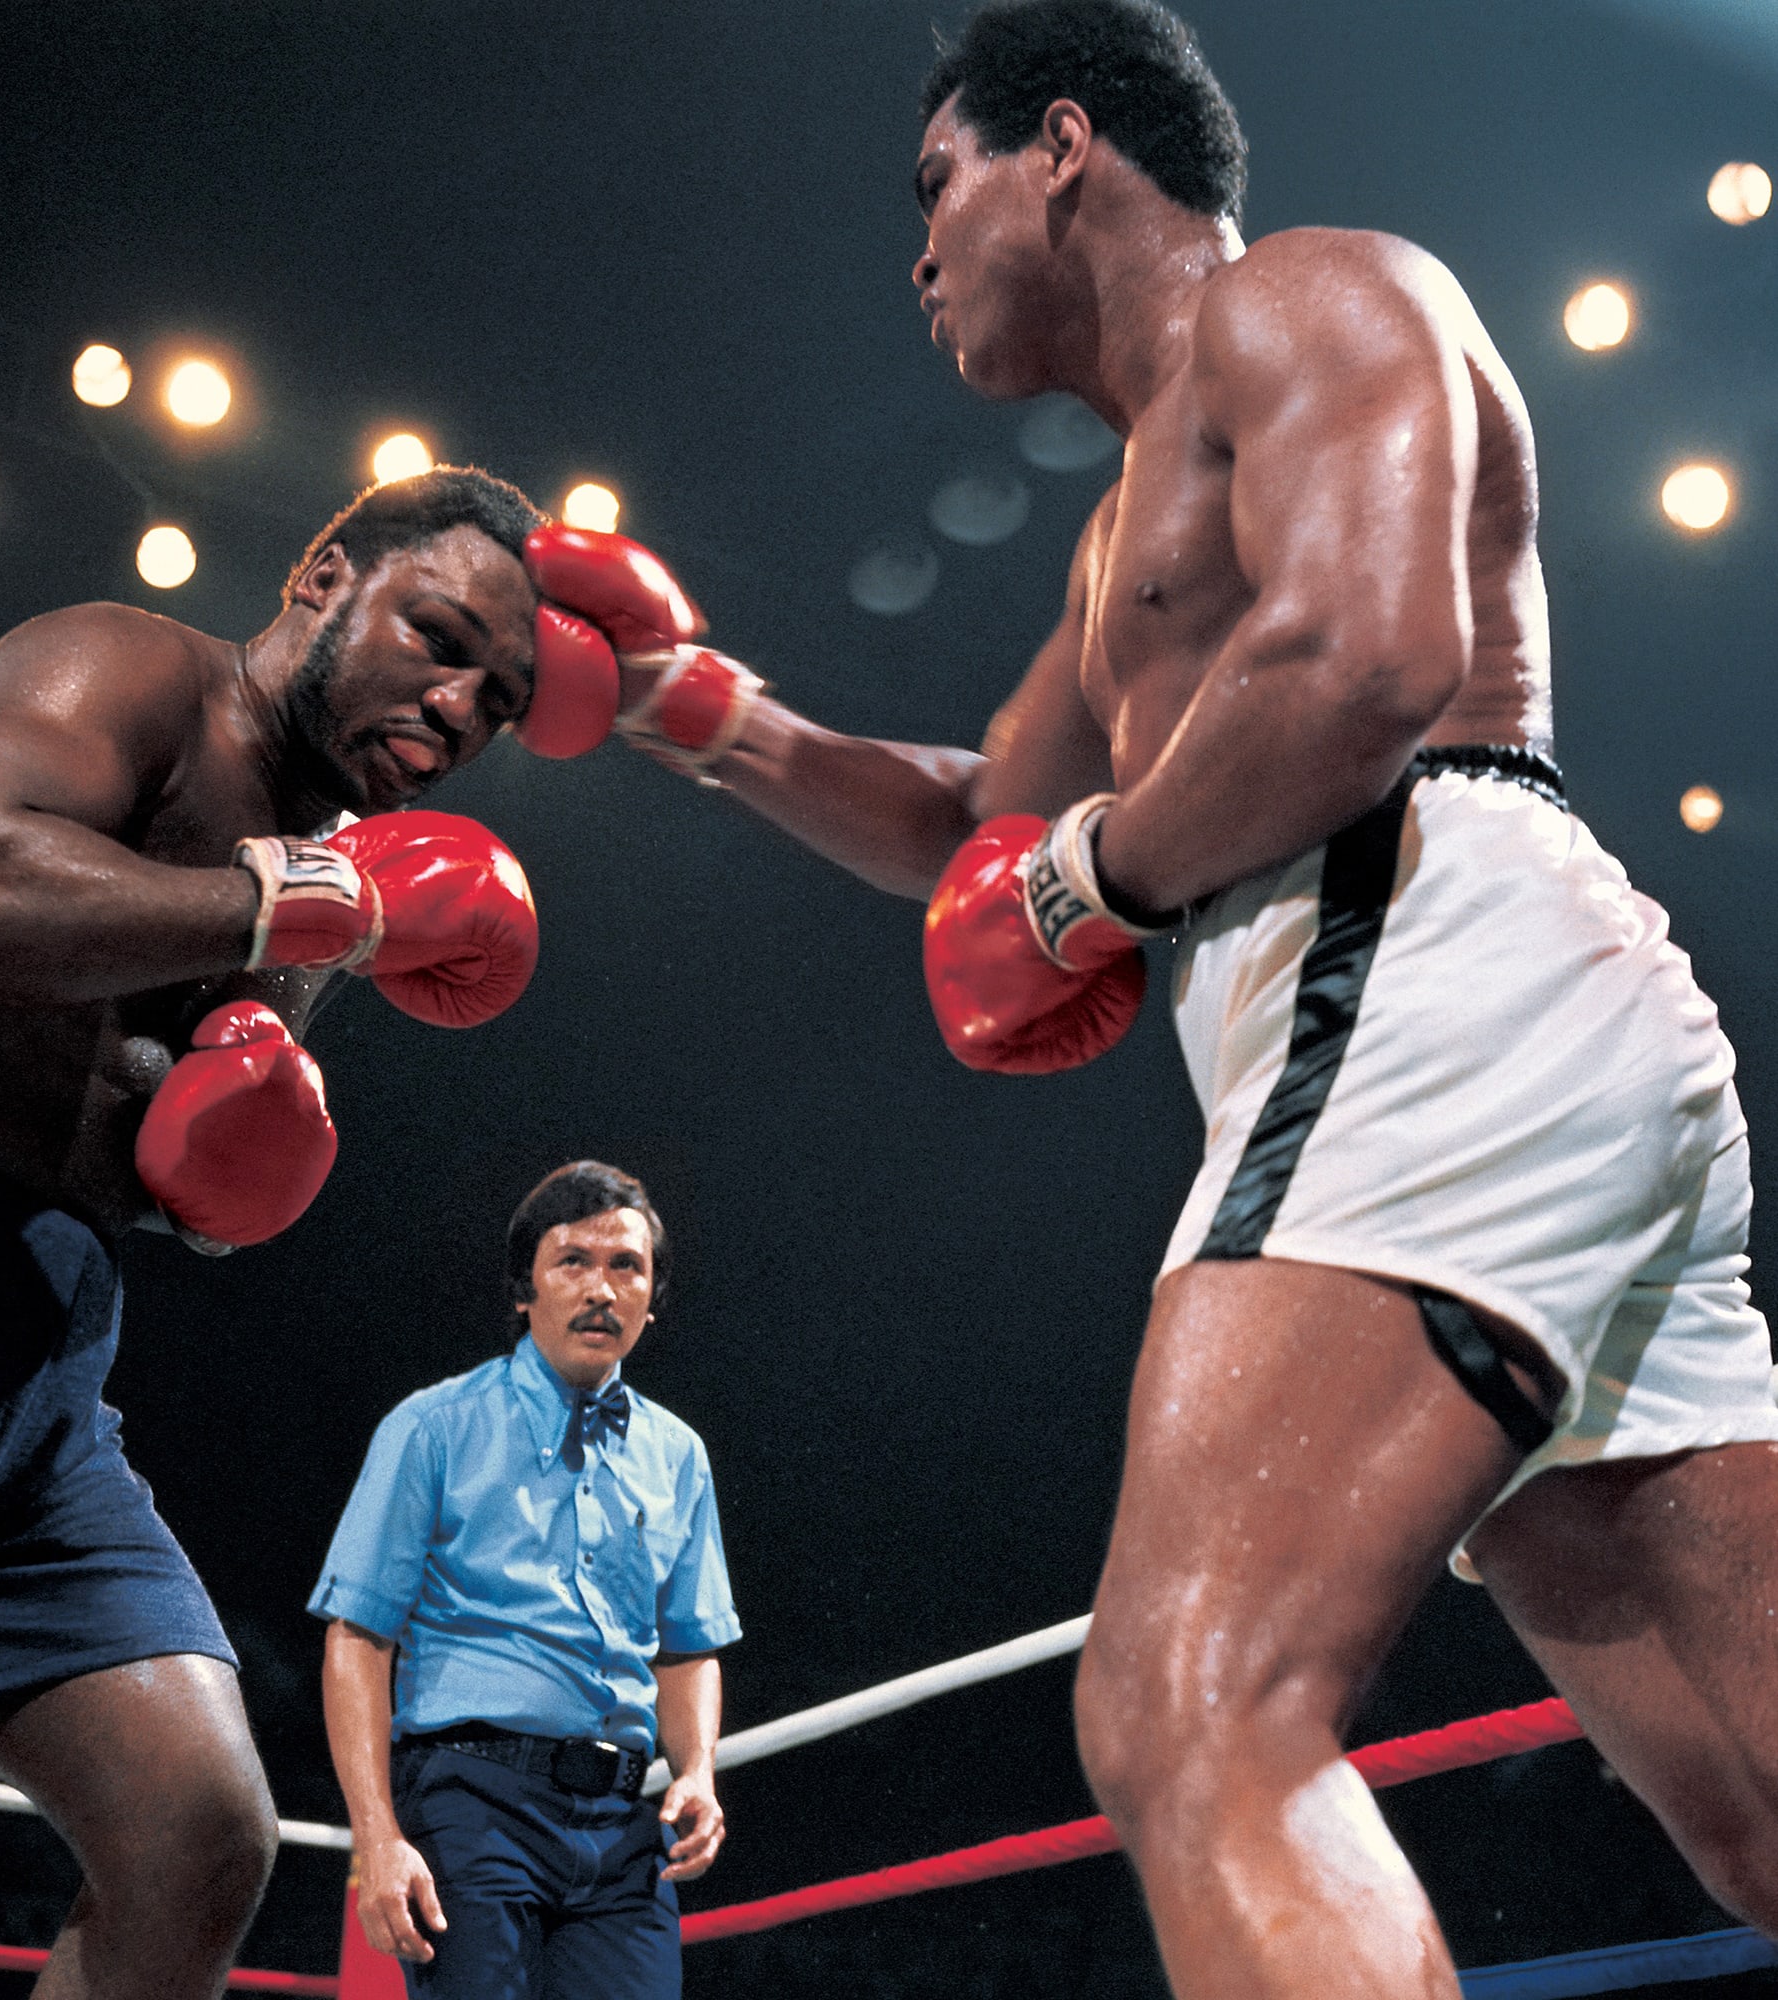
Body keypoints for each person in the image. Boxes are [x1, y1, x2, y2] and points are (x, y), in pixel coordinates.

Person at [520, 3, 1778, 1992]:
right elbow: (974, 822)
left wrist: (1096, 878)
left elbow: (1368, 663)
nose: (916, 250)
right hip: (1501, 1021)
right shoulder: (1118, 544)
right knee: (1747, 1804)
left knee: (1189, 1712)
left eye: (935, 185)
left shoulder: (1311, 295)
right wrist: (707, 720)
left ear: (1061, 151)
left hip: (1415, 953)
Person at [0, 465, 617, 2000]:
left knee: (198, 1835)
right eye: (437, 638)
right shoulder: (125, 666)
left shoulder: (337, 883)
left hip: (38, 1339)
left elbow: (128, 1121)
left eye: (496, 704)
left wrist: (220, 1174)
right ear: (324, 577)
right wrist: (295, 902)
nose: (454, 707)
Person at [314, 1159, 738, 2000]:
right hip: (470, 1803)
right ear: (524, 1290)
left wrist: (697, 1772)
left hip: (623, 1818)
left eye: (627, 1267)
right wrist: (378, 1838)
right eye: (573, 1261)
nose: (602, 1289)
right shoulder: (433, 1429)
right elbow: (359, 1637)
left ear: (653, 1300)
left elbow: (689, 1647)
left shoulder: (678, 1454)